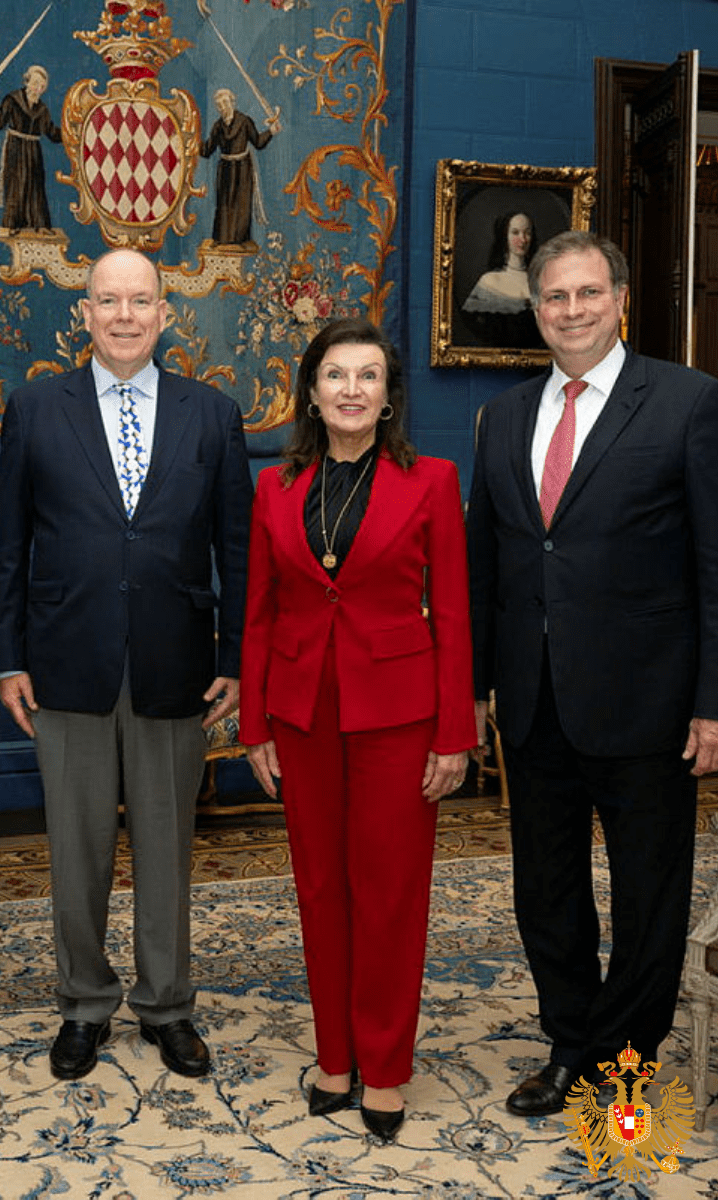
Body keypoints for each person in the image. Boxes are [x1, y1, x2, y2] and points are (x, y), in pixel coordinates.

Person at [466, 230, 718, 1118]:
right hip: (534, 704)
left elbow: (715, 562)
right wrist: (476, 691)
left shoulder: (688, 403)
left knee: (650, 897)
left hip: (649, 702)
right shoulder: (500, 419)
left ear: (619, 299)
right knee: (547, 892)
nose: (571, 310)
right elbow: (487, 566)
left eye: (587, 293)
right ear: (535, 311)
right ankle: (570, 1043)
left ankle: (626, 1063)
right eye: (554, 298)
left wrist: (713, 703)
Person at [0, 247, 251, 1082]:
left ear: (166, 314)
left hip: (178, 662)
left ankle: (168, 1005)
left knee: (168, 847)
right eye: (109, 301)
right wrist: (6, 659)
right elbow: (7, 549)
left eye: (141, 301)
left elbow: (237, 550)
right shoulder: (35, 408)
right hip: (66, 661)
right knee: (78, 849)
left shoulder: (212, 414)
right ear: (86, 314)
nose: (125, 316)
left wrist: (238, 655)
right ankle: (84, 1004)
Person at [240, 316, 475, 1142]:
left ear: (387, 395)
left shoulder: (433, 481)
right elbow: (261, 612)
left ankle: (385, 1066)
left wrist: (454, 734)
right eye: (334, 375)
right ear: (311, 391)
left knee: (390, 894)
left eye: (367, 376)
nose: (350, 389)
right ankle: (333, 1056)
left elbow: (452, 612)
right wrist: (254, 725)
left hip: (400, 717)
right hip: (302, 715)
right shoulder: (274, 487)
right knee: (319, 888)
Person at [0, 65, 62, 234]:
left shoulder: (42, 109)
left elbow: (51, 132)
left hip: (34, 151)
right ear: (27, 82)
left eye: (42, 86)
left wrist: (70, 133)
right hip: (16, 148)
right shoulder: (12, 100)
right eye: (35, 83)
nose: (38, 88)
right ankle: (13, 225)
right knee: (16, 185)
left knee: (36, 186)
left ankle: (40, 226)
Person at [199, 88, 280, 247]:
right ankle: (221, 239)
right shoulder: (218, 126)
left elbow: (258, 142)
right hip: (225, 168)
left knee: (242, 204)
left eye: (225, 103)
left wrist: (271, 131)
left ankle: (241, 239)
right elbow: (207, 150)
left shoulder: (244, 121)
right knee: (224, 204)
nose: (222, 107)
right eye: (219, 105)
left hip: (243, 167)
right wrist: (193, 141)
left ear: (232, 103)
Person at [461, 212, 542, 349]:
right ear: (505, 236)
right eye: (515, 233)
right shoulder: (489, 281)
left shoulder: (541, 281)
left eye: (527, 233)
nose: (522, 239)